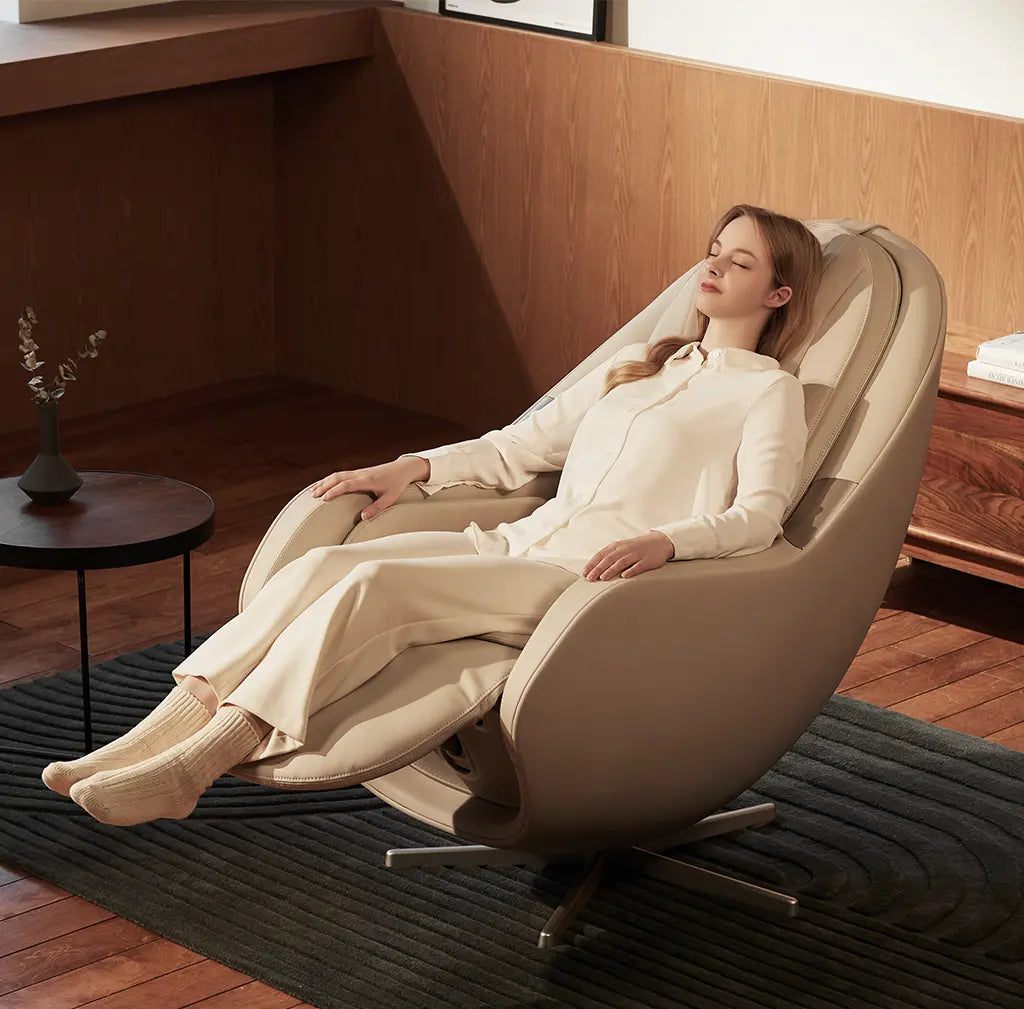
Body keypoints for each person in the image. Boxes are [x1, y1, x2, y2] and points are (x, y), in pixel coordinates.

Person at [41, 203, 822, 827]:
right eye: (714, 248)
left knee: (375, 585)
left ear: (778, 295)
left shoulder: (767, 393)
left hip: (587, 585)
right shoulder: (643, 366)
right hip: (520, 544)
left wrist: (663, 541)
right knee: (323, 566)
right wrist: (409, 469)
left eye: (740, 260)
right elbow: (516, 448)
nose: (713, 264)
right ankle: (146, 742)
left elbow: (760, 515)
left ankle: (194, 768)